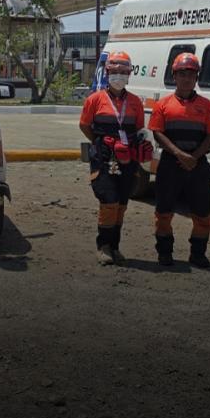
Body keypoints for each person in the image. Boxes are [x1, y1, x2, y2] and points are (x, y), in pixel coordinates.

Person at [78, 50, 151, 265]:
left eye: (123, 72)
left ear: (129, 74)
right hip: (104, 157)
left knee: (121, 203)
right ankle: (103, 246)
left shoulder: (135, 102)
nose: (119, 76)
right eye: (114, 72)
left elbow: (139, 129)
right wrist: (100, 143)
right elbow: (84, 125)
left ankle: (115, 247)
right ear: (107, 73)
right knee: (108, 200)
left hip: (128, 158)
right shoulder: (95, 100)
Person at [148, 53, 210, 267]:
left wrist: (193, 157)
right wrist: (179, 154)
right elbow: (157, 133)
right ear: (174, 76)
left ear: (196, 77)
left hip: (198, 165)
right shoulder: (163, 104)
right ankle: (164, 252)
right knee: (163, 212)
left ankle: (197, 254)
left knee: (202, 214)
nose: (186, 79)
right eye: (182, 74)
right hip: (170, 164)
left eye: (191, 74)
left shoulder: (207, 105)